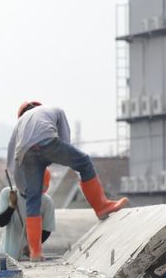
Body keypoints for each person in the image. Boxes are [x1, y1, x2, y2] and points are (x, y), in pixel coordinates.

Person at [7, 101, 128, 260]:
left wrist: (23, 189)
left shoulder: (20, 124)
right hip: (47, 140)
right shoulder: (53, 109)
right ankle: (101, 207)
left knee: (33, 200)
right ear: (38, 107)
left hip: (25, 152)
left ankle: (35, 252)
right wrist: (58, 156)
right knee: (84, 163)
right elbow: (64, 140)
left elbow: (12, 160)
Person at [0, 168, 55, 260]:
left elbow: (46, 230)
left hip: (30, 258)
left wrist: (33, 246)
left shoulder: (46, 202)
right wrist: (12, 206)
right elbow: (1, 222)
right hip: (7, 255)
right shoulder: (8, 194)